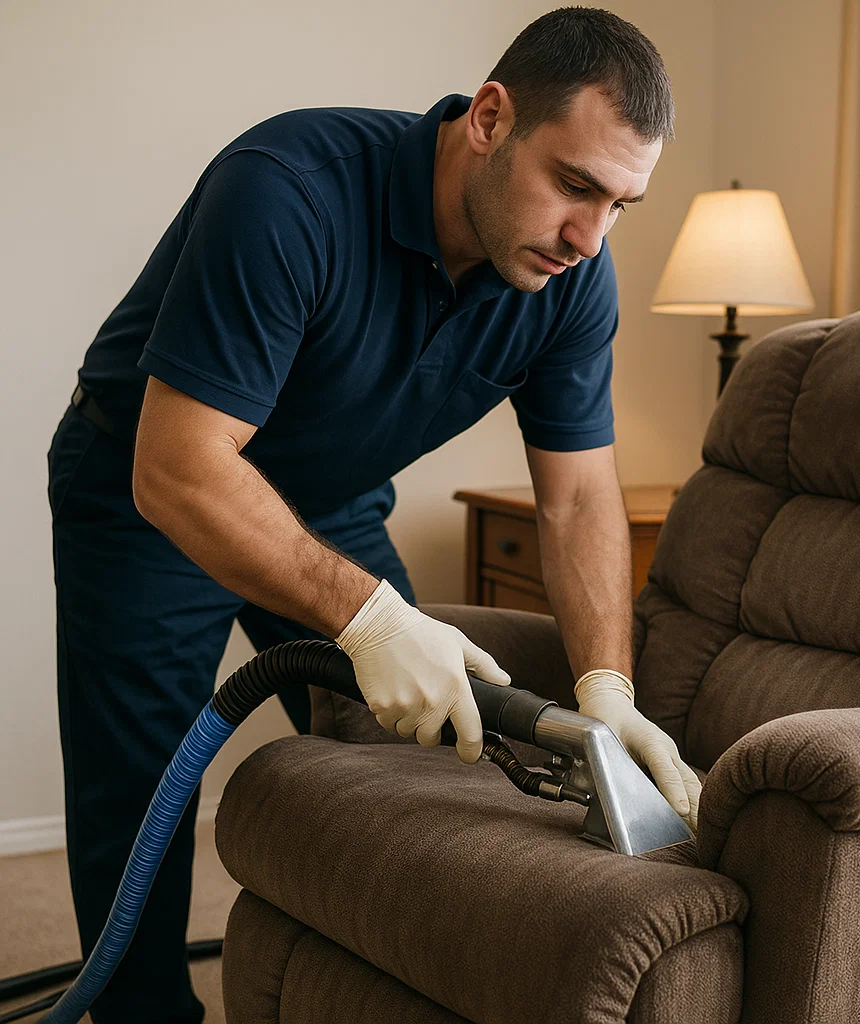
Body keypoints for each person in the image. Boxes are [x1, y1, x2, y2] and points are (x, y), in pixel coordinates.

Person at [46, 6, 702, 1022]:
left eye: (621, 203)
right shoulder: (288, 190)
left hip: (328, 496)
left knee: (405, 753)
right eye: (574, 185)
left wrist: (604, 685)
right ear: (489, 118)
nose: (590, 236)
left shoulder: (571, 282)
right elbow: (178, 469)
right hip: (147, 487)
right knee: (137, 797)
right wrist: (370, 616)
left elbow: (574, 497)